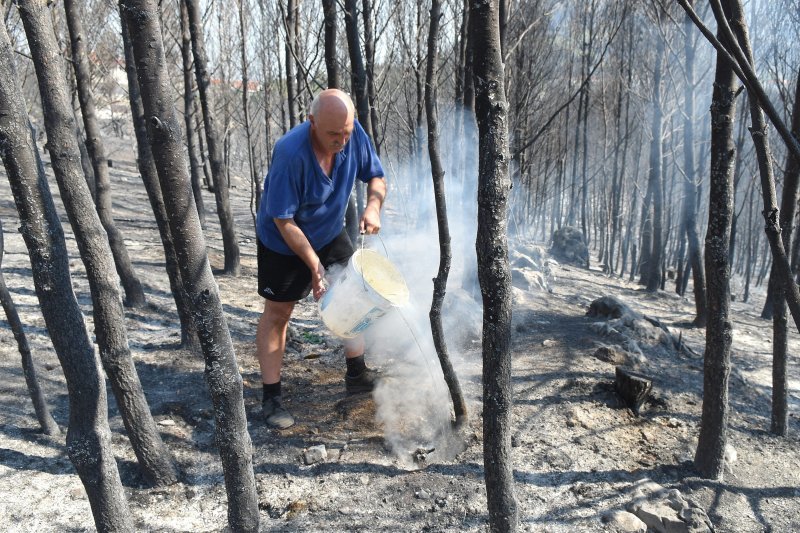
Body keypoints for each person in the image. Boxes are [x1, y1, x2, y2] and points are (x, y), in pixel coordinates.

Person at [255, 89, 387, 429]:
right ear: (312, 122)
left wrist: (373, 205)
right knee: (279, 313)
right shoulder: (290, 153)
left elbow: (376, 177)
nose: (342, 141)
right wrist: (313, 265)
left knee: (353, 294)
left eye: (346, 132)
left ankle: (356, 374)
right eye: (333, 135)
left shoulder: (353, 132)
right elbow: (283, 219)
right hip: (284, 241)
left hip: (329, 231)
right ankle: (271, 398)